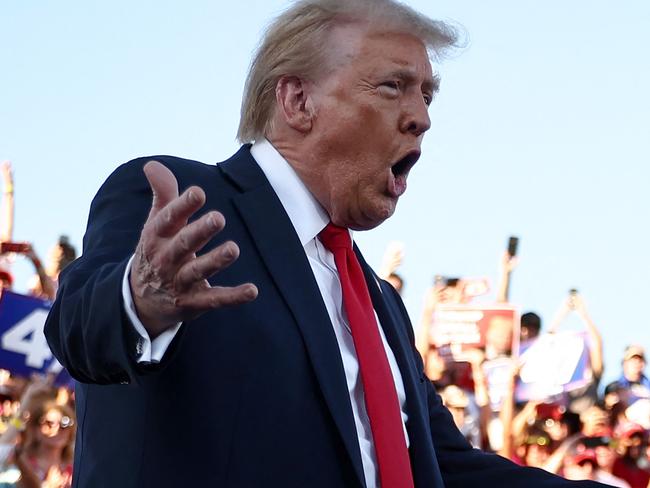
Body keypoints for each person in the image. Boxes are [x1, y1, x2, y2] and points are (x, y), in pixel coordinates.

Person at [44, 1, 607, 486]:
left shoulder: (379, 302)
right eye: (394, 86)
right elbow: (78, 327)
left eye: (428, 95)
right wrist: (137, 301)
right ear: (297, 101)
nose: (422, 118)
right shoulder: (182, 202)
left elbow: (444, 466)